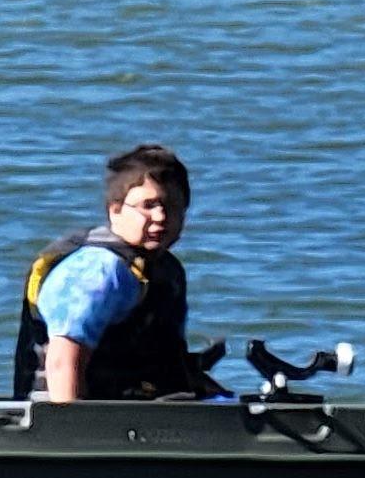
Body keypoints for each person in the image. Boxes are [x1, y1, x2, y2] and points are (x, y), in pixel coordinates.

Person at [13, 144, 219, 400]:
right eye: (148, 205)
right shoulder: (100, 270)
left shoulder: (167, 270)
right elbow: (63, 362)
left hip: (141, 416)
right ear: (115, 210)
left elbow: (169, 365)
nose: (160, 216)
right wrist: (71, 433)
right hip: (70, 419)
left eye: (172, 206)